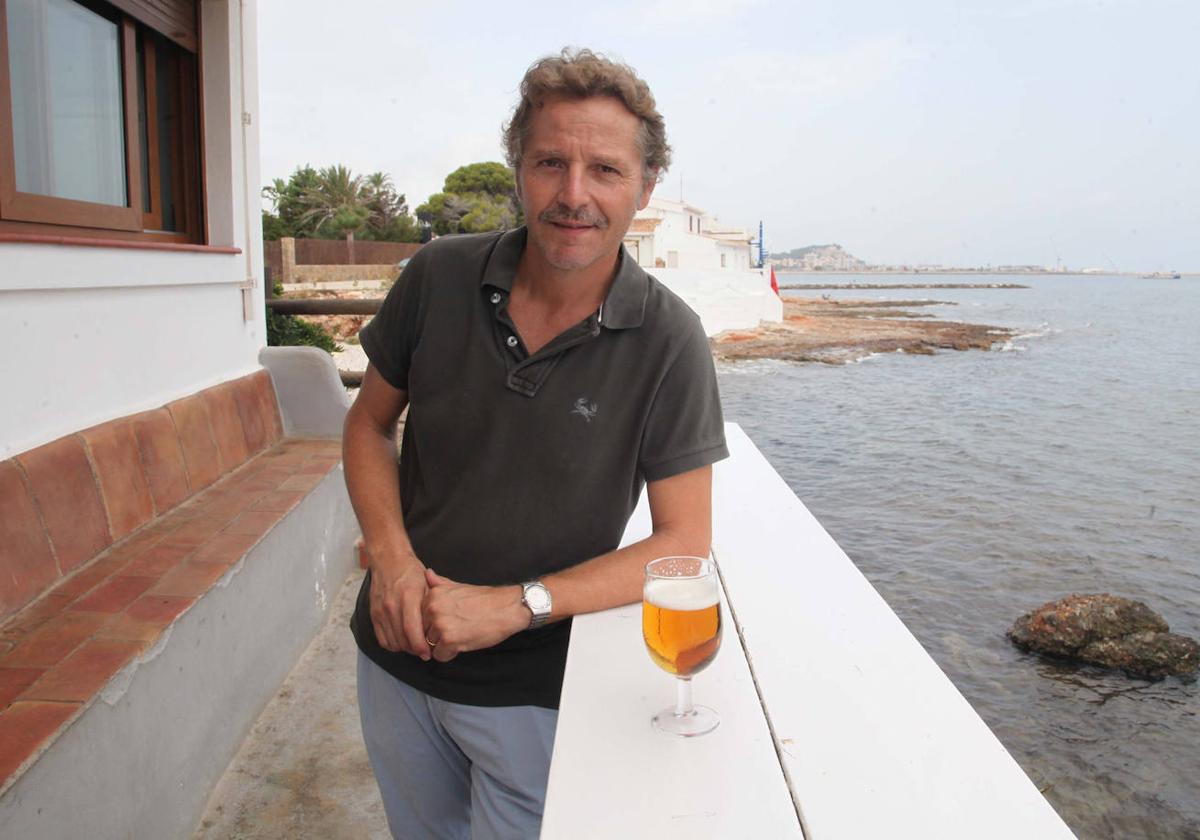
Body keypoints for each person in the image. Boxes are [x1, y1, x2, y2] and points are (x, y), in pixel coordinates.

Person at [343, 47, 728, 840]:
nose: (574, 195)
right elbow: (367, 422)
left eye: (606, 170)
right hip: (392, 660)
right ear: (517, 167)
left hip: (539, 694)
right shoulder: (437, 275)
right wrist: (390, 554)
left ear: (646, 188)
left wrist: (518, 608)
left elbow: (684, 543)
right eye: (551, 162)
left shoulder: (669, 340)